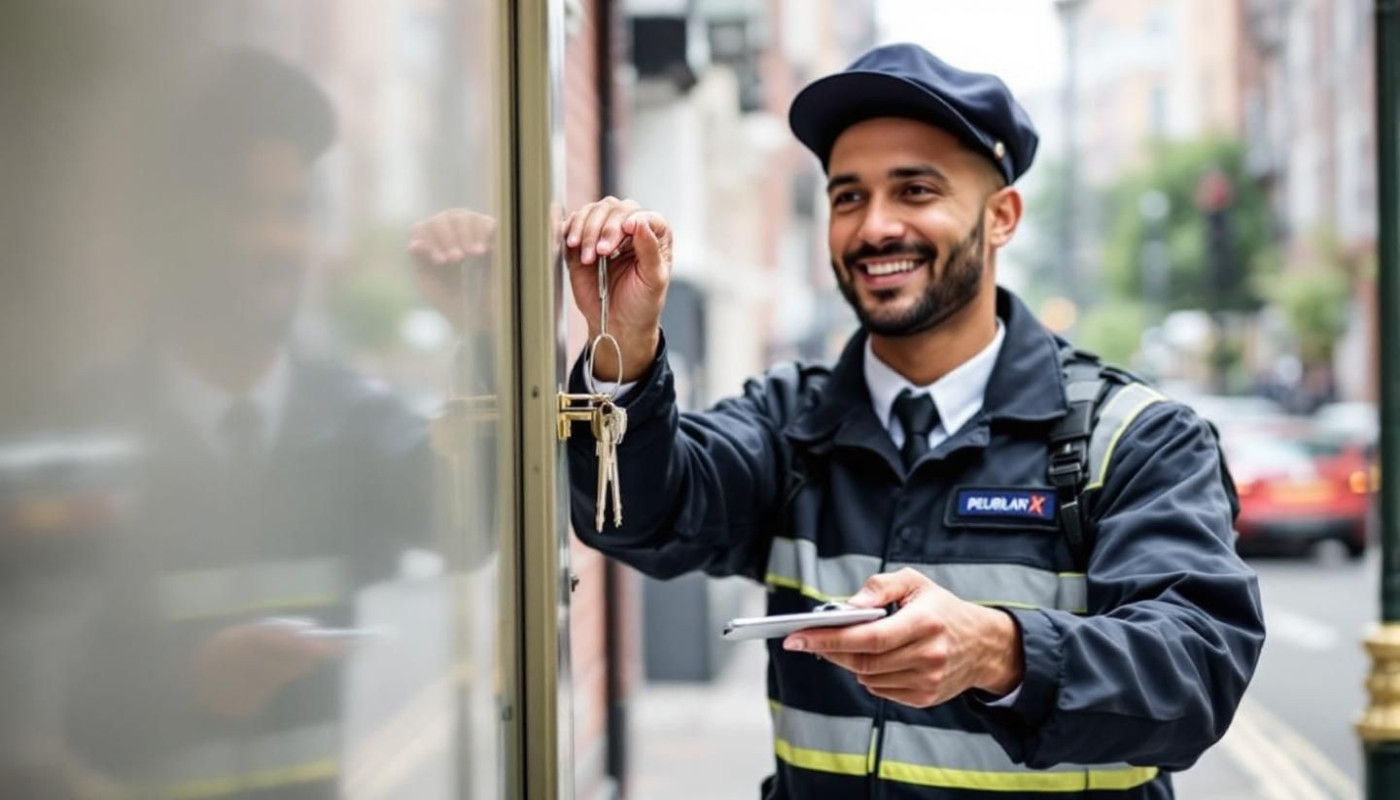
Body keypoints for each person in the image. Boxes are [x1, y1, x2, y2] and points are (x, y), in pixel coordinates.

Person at [558, 44, 1265, 799]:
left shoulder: (1136, 438)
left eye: (916, 190)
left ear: (1001, 217)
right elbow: (638, 517)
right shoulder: (791, 420)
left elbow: (1195, 672)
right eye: (848, 197)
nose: (874, 227)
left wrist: (1000, 652)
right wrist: (622, 352)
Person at [55, 48, 442, 799]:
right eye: (245, 208)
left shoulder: (351, 421)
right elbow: (33, 703)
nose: (276, 241)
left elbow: (489, 514)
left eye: (292, 211)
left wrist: (491, 326)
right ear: (179, 227)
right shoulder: (88, 433)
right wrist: (187, 684)